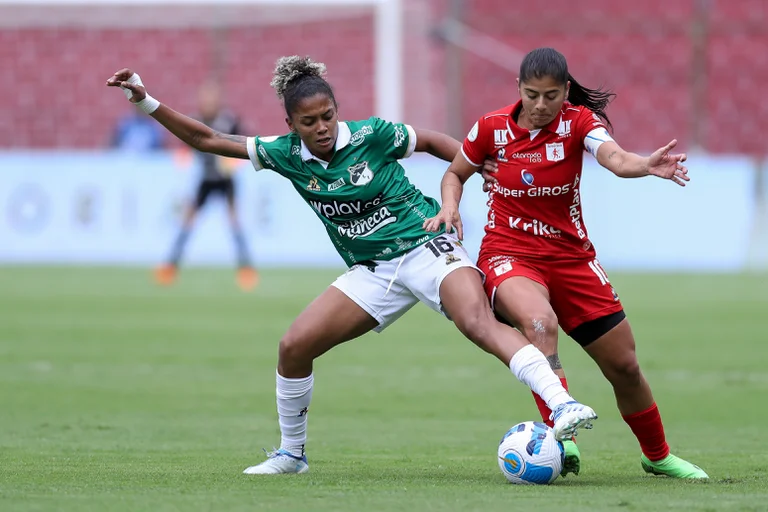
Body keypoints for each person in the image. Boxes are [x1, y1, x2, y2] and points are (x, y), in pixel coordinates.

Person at [106, 55, 598, 475]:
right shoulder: (285, 155)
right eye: (309, 122)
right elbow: (208, 139)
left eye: (327, 116)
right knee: (294, 346)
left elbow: (430, 141)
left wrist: (478, 170)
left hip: (426, 245)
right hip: (373, 271)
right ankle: (291, 454)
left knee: (476, 322)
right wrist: (145, 100)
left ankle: (561, 403)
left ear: (337, 111)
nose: (321, 128)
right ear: (291, 125)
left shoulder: (373, 135)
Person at [424, 47, 708, 479]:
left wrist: (645, 165)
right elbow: (454, 173)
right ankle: (565, 435)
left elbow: (614, 158)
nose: (541, 105)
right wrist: (451, 206)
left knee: (625, 367)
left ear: (566, 92)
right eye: (533, 94)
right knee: (539, 323)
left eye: (551, 96)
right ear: (518, 89)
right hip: (509, 253)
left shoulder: (578, 123)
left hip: (573, 260)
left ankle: (658, 456)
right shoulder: (491, 128)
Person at [155, 81, 258, 291]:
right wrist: (183, 157)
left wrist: (234, 163)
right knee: (187, 221)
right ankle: (170, 266)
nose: (208, 103)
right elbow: (186, 146)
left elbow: (243, 146)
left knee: (235, 222)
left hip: (226, 180)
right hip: (206, 180)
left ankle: (246, 270)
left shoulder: (228, 121)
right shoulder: (194, 120)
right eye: (205, 99)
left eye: (212, 99)